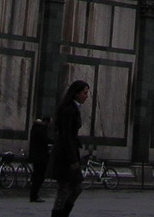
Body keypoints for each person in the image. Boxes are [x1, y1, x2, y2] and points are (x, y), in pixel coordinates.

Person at [49, 79, 90, 217]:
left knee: (75, 187)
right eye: (85, 93)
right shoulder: (69, 110)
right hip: (65, 155)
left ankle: (62, 214)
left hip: (68, 152)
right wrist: (73, 160)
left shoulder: (73, 109)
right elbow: (66, 136)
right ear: (76, 93)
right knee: (65, 189)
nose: (86, 96)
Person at [28, 115, 52, 203]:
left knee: (36, 176)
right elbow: (45, 140)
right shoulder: (42, 129)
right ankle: (34, 196)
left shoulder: (34, 129)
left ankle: (33, 195)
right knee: (39, 177)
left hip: (35, 157)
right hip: (40, 158)